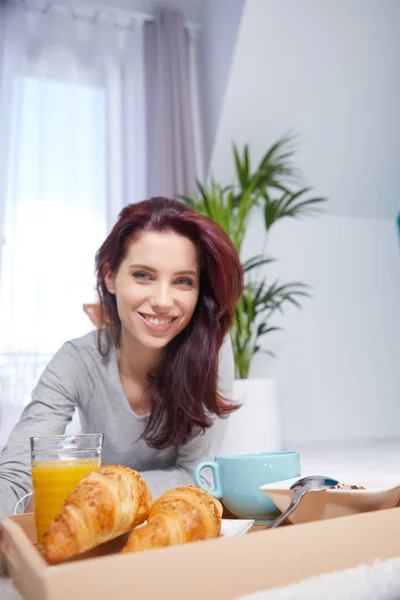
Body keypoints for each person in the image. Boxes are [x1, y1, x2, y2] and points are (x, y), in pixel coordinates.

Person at [0, 196, 243, 517]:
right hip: (99, 523)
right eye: (143, 275)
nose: (162, 300)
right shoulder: (76, 360)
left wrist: (98, 487)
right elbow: (18, 475)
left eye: (183, 281)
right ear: (110, 277)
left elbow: (198, 475)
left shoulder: (212, 352)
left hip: (173, 526)